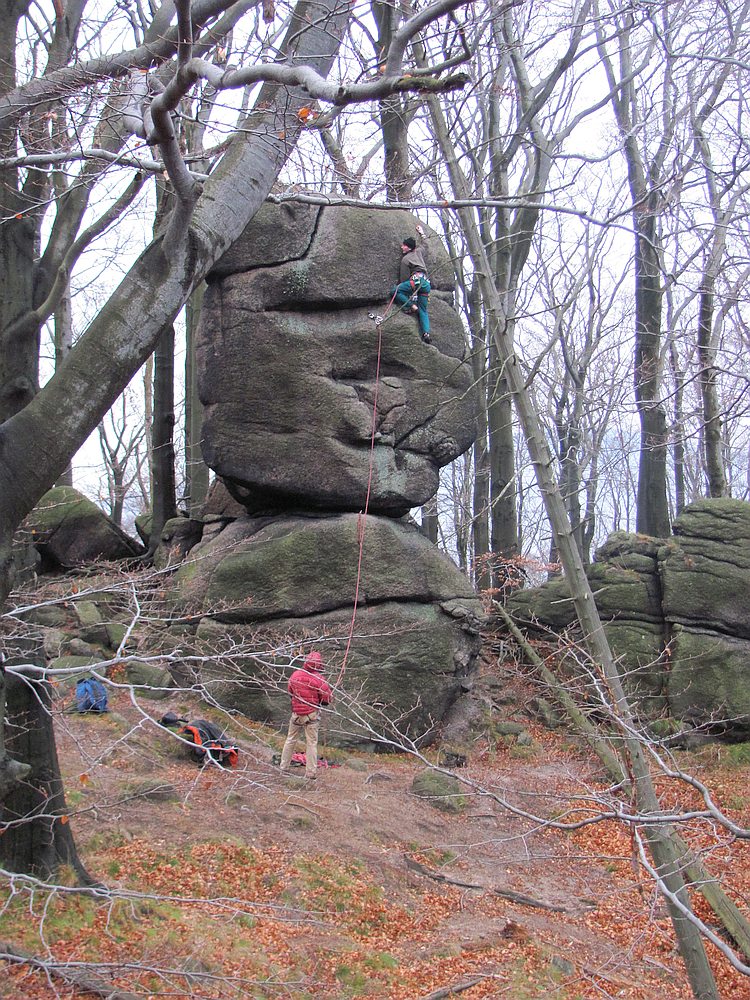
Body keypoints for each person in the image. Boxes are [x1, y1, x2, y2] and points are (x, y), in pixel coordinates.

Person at [279, 650, 332, 779]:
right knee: (312, 743)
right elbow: (327, 699)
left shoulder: (295, 674)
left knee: (290, 739)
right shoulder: (320, 679)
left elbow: (290, 691)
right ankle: (310, 772)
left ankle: (283, 767)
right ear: (318, 665)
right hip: (311, 715)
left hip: (296, 714)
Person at [392, 235, 432, 344]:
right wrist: (422, 233)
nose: (401, 247)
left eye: (404, 246)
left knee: (395, 291)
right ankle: (426, 333)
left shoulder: (405, 259)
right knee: (423, 311)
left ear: (409, 248)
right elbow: (426, 245)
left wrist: (408, 295)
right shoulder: (418, 251)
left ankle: (412, 306)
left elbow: (404, 279)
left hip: (416, 281)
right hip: (426, 284)